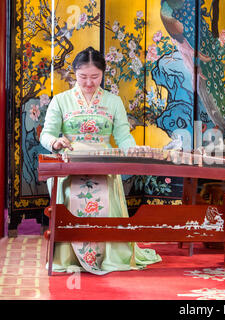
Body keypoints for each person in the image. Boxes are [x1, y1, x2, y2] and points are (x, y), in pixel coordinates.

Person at [40, 47, 161, 274]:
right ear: (74, 73)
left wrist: (133, 150)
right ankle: (70, 257)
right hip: (71, 166)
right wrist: (55, 143)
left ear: (103, 75)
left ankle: (108, 255)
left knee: (105, 194)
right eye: (83, 77)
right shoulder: (61, 100)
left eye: (94, 77)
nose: (88, 83)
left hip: (105, 164)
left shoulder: (113, 101)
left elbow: (123, 136)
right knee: (70, 194)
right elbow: (46, 134)